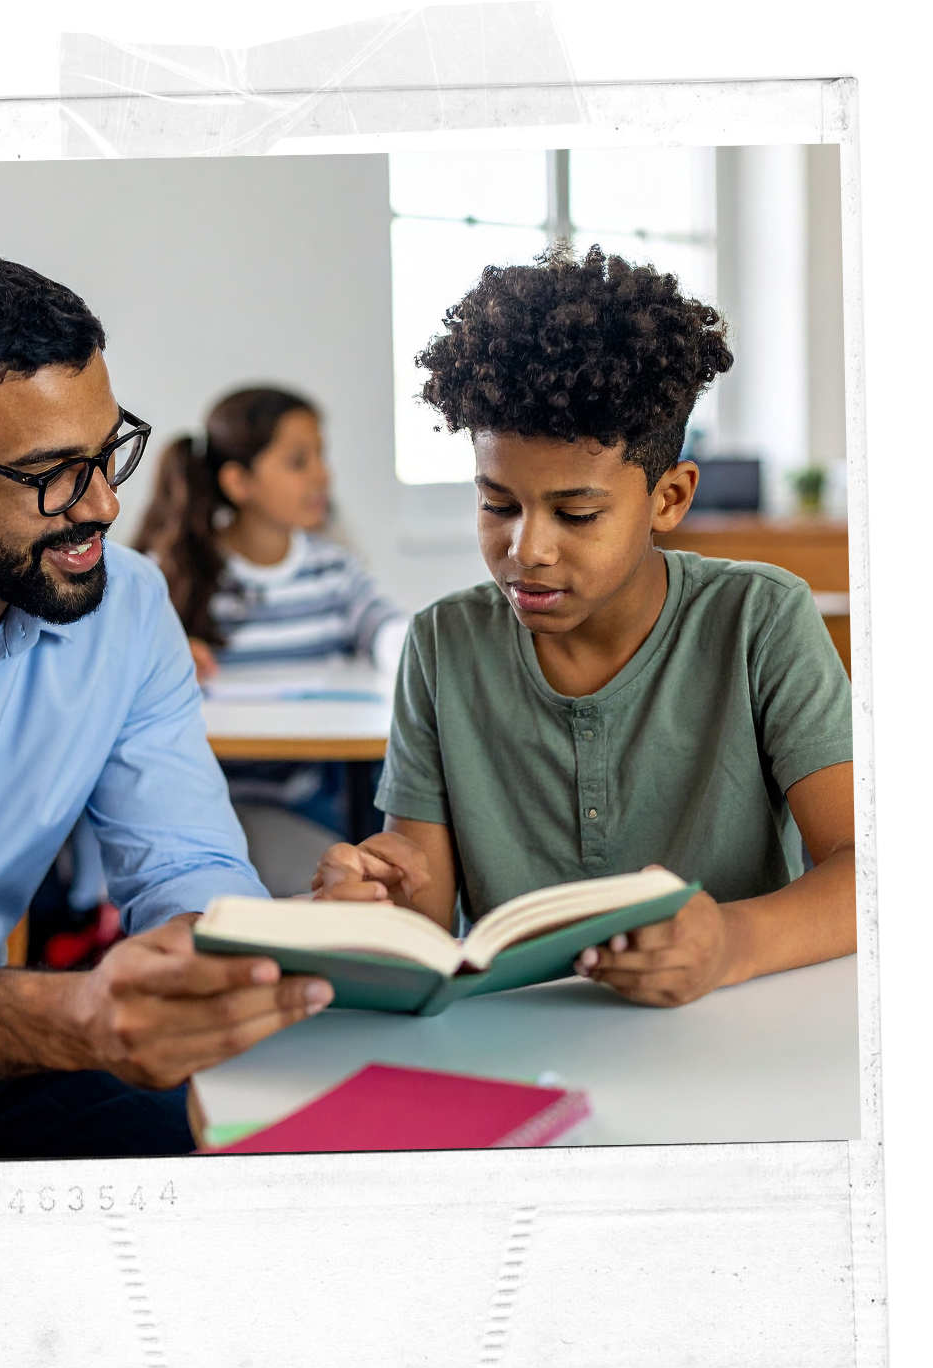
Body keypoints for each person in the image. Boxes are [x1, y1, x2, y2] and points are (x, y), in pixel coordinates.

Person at [0, 252, 333, 1164]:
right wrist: (72, 1016)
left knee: (234, 1134)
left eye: (106, 450)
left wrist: (222, 963)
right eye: (51, 472)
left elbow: (185, 859)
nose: (102, 503)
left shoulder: (127, 608)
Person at [312, 247, 855, 1007]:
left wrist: (728, 943)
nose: (525, 549)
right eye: (497, 504)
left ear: (669, 498)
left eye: (577, 514)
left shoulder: (759, 618)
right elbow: (424, 925)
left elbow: (868, 870)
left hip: (724, 1028)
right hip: (513, 1047)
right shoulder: (443, 646)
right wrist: (369, 909)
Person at [134, 388, 406, 895]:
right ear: (239, 482)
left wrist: (409, 647)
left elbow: (386, 628)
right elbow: (116, 650)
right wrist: (162, 651)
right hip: (206, 797)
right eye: (298, 461)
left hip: (307, 792)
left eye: (321, 456)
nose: (322, 475)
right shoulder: (181, 573)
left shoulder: (333, 567)